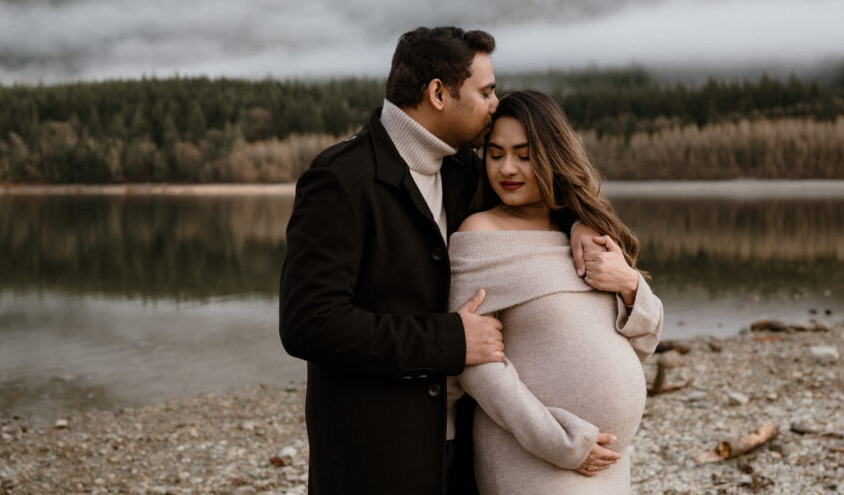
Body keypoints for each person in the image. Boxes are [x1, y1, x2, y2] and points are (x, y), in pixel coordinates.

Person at [279, 27, 605, 494]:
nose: (496, 103)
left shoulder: (465, 170)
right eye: (486, 91)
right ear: (437, 93)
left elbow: (541, 195)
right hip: (377, 460)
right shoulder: (340, 181)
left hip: (471, 449)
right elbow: (309, 323)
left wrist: (578, 223)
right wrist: (448, 340)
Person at [447, 90, 664, 494]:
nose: (507, 168)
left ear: (553, 154)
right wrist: (564, 444)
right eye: (495, 154)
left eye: (524, 154)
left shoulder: (586, 233)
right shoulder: (481, 234)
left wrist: (631, 284)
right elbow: (476, 367)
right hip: (535, 454)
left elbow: (645, 340)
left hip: (607, 460)